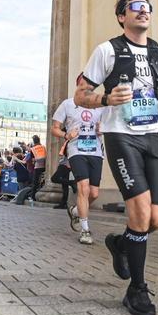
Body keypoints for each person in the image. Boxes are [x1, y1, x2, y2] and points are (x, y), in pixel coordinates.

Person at [75, 0, 158, 315]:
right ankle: (136, 289)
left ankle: (121, 244)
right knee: (140, 213)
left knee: (155, 221)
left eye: (146, 7)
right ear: (122, 16)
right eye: (135, 7)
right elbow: (80, 95)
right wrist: (106, 100)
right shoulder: (107, 50)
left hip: (153, 136)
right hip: (121, 136)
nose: (143, 11)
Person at [51, 95, 104, 245]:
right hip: (77, 150)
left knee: (94, 193)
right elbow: (54, 129)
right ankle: (85, 230)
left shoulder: (100, 105)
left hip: (96, 152)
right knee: (83, 188)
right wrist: (66, 135)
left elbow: (109, 125)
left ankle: (75, 211)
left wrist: (102, 129)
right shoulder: (67, 104)